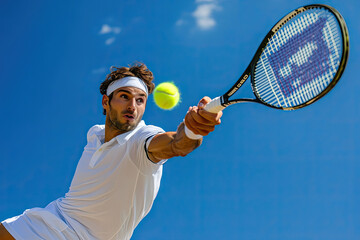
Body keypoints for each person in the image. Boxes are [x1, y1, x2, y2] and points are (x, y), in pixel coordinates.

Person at [0, 63, 222, 240]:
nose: (132, 106)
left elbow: (176, 143)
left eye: (140, 100)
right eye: (124, 96)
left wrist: (192, 129)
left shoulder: (141, 139)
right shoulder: (94, 136)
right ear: (106, 102)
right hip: (50, 221)